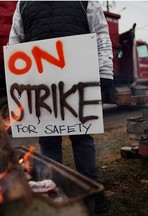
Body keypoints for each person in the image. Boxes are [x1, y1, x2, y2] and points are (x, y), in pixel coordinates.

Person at [9, 1, 113, 213]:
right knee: (49, 141)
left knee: (82, 138)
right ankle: (53, 196)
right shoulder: (24, 3)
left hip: (77, 81)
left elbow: (101, 33)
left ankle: (93, 194)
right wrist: (14, 77)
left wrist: (105, 71)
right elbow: (15, 40)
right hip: (41, 84)